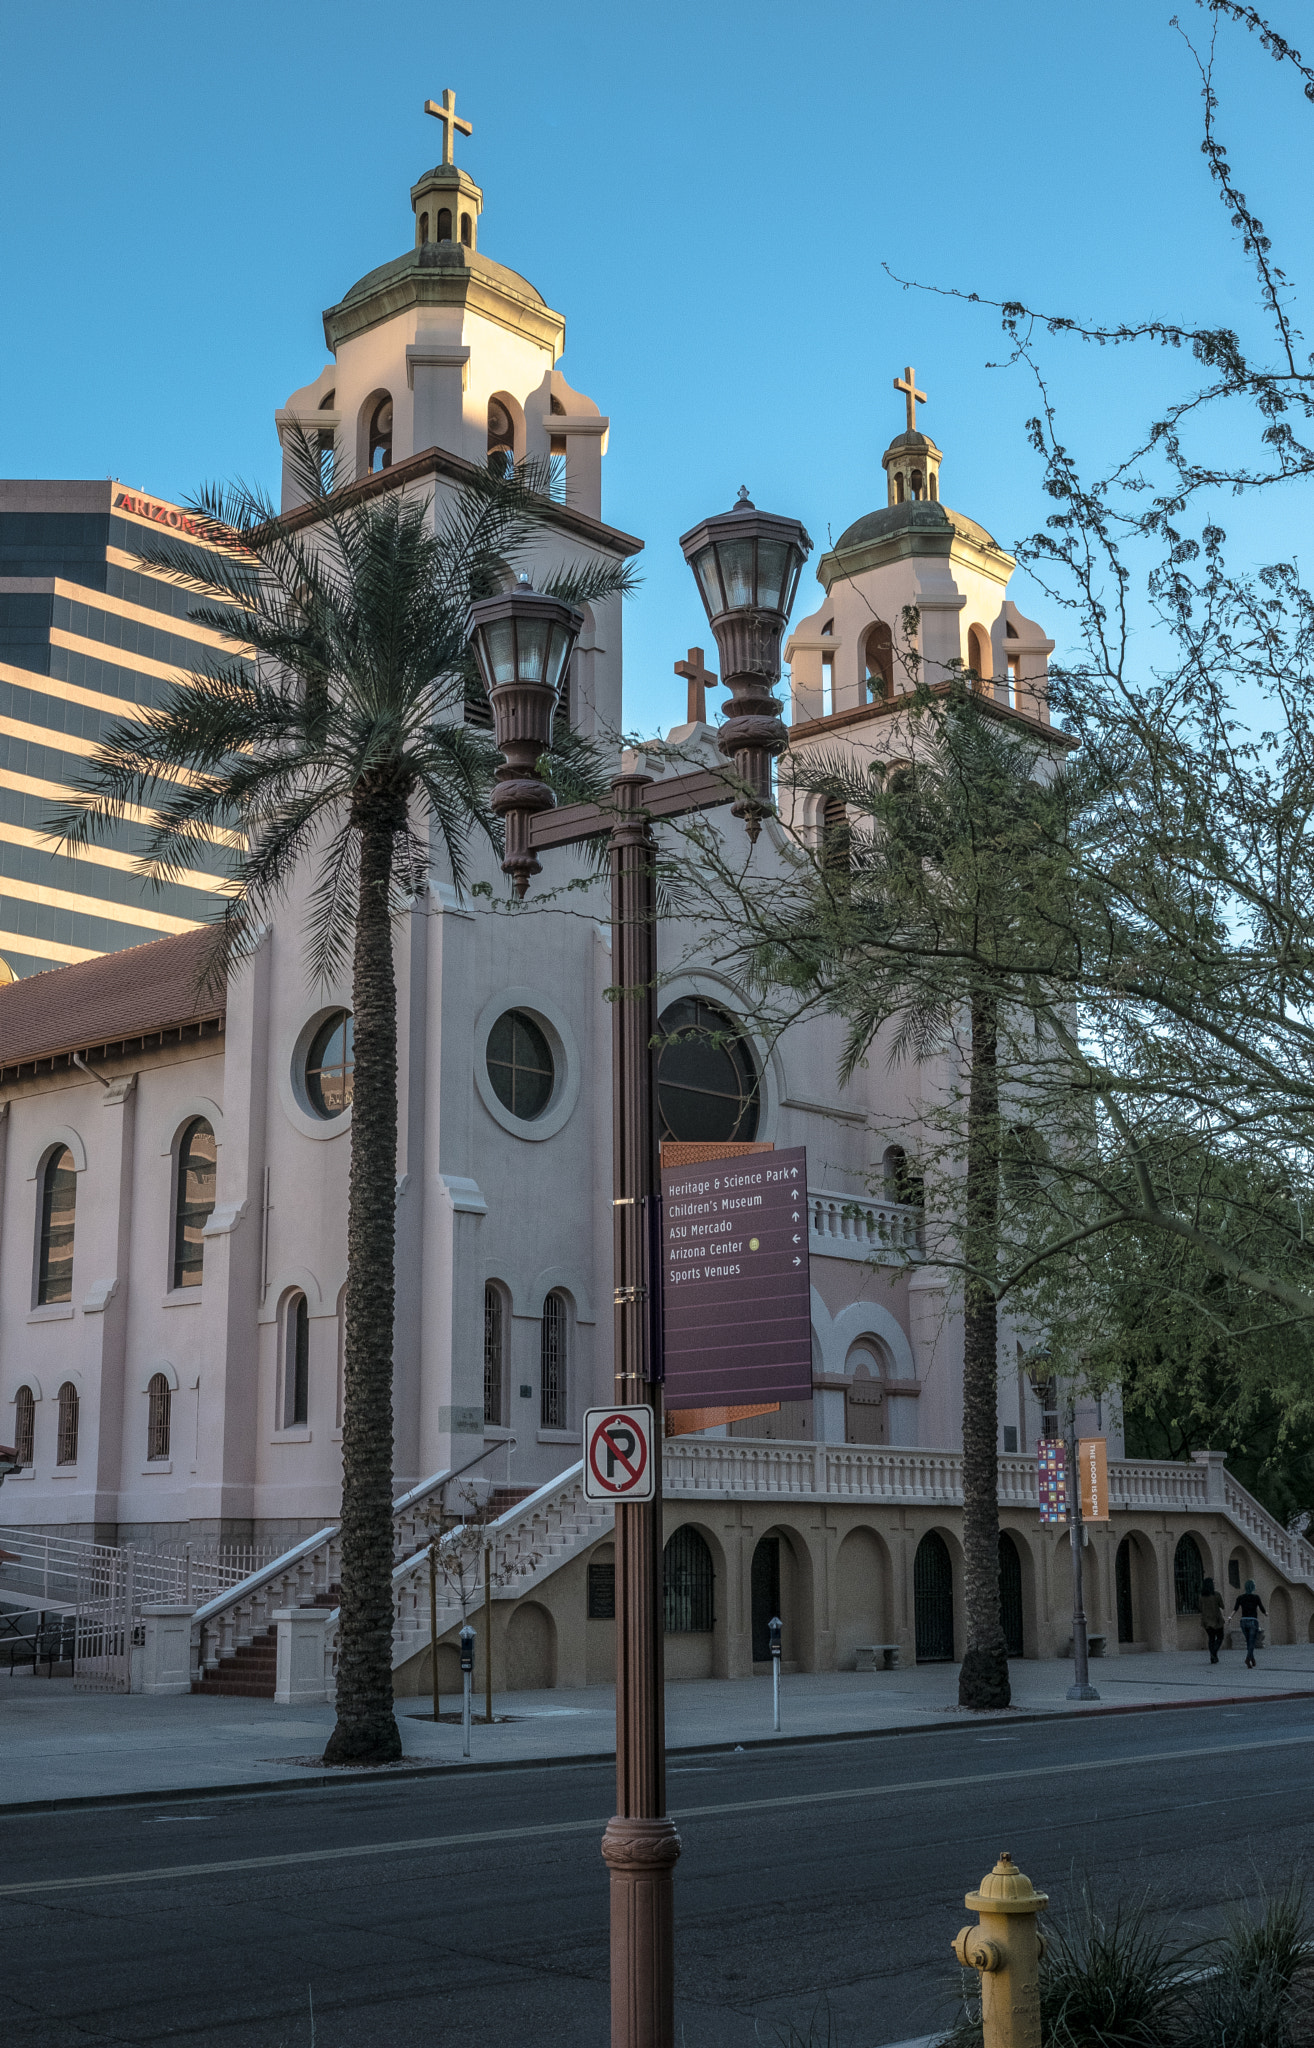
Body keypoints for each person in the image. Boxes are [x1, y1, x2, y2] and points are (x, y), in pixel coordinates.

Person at [1232, 1579, 1267, 1667]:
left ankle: (1252, 1658)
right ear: (1253, 1587)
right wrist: (1266, 1613)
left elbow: (1235, 1609)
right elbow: (1262, 1608)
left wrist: (1230, 1617)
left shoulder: (1240, 1597)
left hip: (1243, 1621)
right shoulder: (1256, 1597)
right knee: (1252, 1641)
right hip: (1252, 1621)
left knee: (1248, 1641)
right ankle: (1248, 1658)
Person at [1199, 1577, 1226, 1663]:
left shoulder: (1201, 1596)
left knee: (1211, 1638)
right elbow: (1222, 1605)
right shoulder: (1216, 1595)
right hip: (1217, 1620)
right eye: (1213, 1583)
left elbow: (1200, 1607)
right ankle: (1214, 1653)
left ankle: (1213, 1656)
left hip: (1206, 1620)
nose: (1214, 1584)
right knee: (1220, 1637)